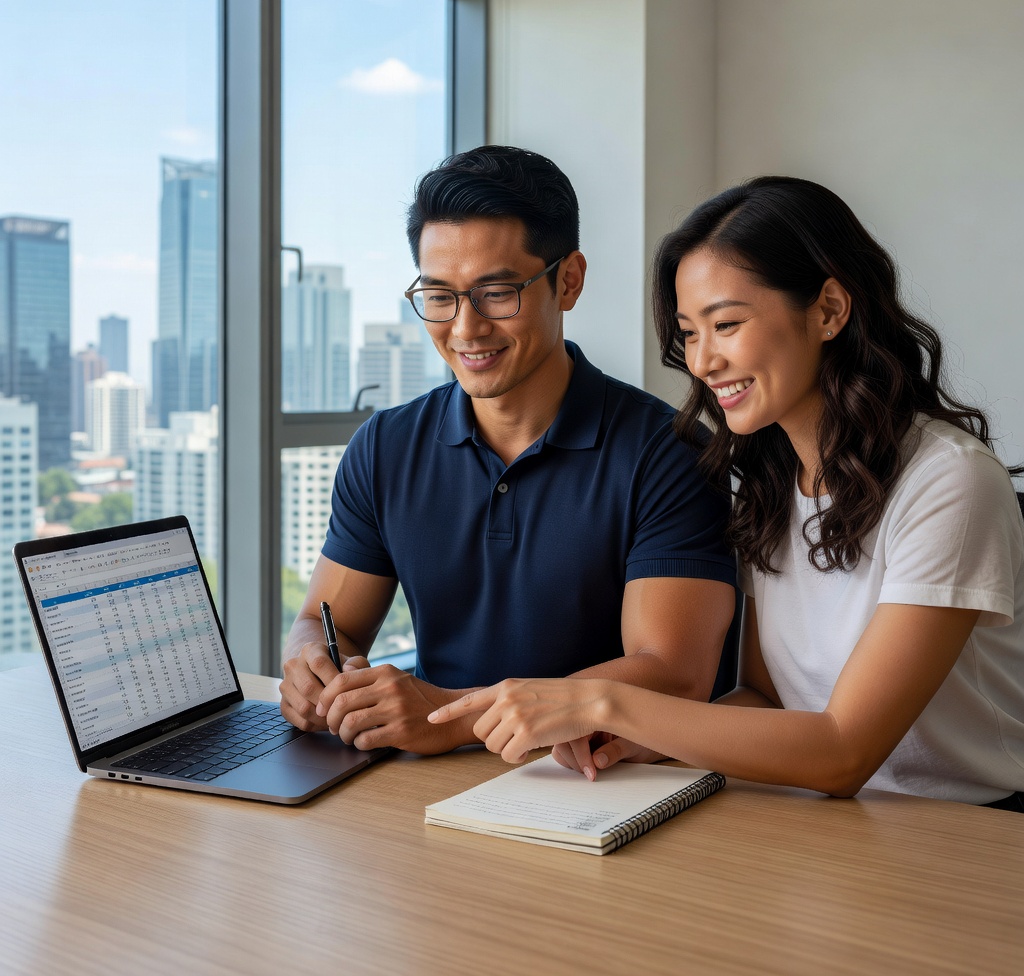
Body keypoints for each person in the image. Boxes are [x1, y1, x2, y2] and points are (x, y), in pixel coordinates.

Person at [430, 175, 1024, 809]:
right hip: (823, 818)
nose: (702, 362)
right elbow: (766, 700)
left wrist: (604, 701)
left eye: (727, 324)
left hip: (969, 831)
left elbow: (843, 751)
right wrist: (648, 738)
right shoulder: (768, 480)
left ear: (827, 310)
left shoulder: (949, 482)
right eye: (689, 333)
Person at [279, 145, 736, 760]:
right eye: (438, 296)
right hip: (420, 785)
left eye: (496, 292)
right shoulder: (384, 448)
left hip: (599, 787)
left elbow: (675, 672)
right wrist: (309, 666)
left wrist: (447, 717)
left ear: (568, 281)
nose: (465, 328)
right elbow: (326, 621)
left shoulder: (670, 453)